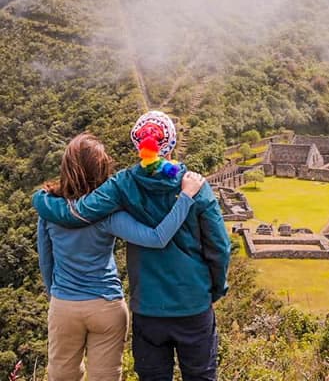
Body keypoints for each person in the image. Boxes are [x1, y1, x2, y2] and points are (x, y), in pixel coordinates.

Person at [33, 111, 231, 381]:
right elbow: (219, 247)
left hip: (146, 306)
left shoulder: (123, 185)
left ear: (138, 144)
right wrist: (215, 290)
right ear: (171, 144)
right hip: (193, 304)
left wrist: (42, 202)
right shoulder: (196, 186)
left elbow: (74, 218)